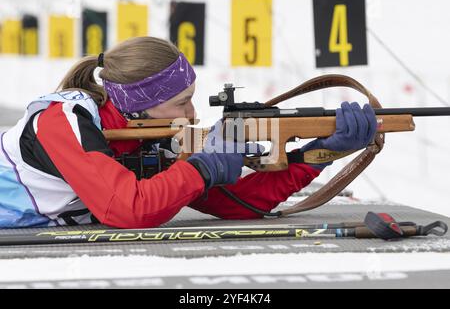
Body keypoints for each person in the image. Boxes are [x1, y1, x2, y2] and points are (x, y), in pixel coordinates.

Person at [0, 36, 377, 228]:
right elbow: (127, 209)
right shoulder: (62, 120)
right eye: (182, 102)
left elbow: (235, 204)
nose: (192, 113)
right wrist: (203, 167)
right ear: (140, 101)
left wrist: (324, 150)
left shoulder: (154, 133)